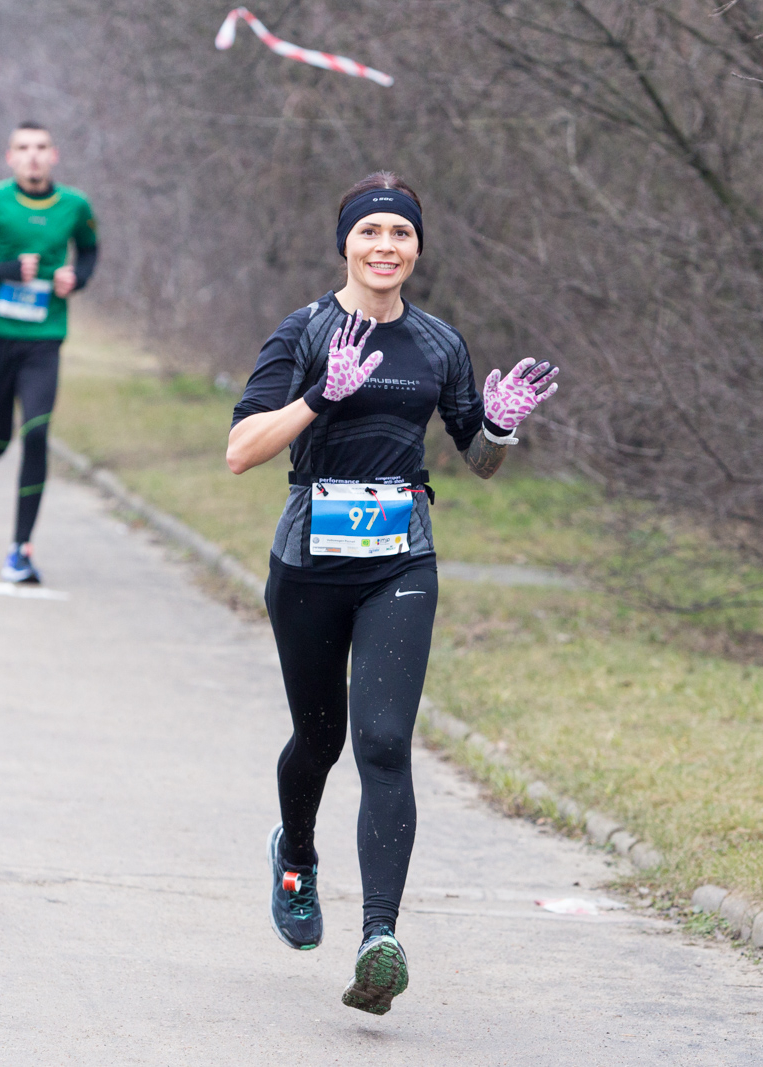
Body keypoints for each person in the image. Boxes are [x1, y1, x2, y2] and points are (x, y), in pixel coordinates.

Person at [225, 172, 560, 1015]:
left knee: (382, 739)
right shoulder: (303, 331)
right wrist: (317, 397)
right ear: (346, 242)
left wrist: (500, 429)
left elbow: (476, 461)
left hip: (399, 561)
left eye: (400, 234)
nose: (385, 246)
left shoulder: (439, 344)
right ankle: (296, 855)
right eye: (370, 231)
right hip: (308, 562)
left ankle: (380, 938)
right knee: (320, 736)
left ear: (417, 248)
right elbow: (240, 451)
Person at [0, 122, 99, 584]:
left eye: (40, 148)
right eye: (23, 148)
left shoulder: (75, 206)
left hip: (43, 338)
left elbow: (89, 252)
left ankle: (20, 549)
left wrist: (78, 278)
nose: (32, 156)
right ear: (10, 157)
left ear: (54, 155)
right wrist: (4, 270)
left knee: (36, 432)